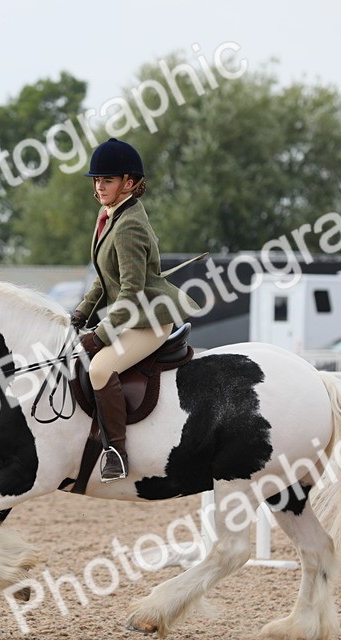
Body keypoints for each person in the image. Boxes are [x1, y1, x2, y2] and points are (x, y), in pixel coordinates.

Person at [71, 138, 192, 482]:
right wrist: (80, 314)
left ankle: (116, 452)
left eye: (107, 180)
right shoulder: (108, 215)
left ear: (129, 182)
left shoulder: (129, 225)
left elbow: (130, 291)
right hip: (131, 316)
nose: (99, 187)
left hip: (149, 320)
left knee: (99, 369)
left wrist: (101, 335)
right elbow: (104, 279)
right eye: (96, 180)